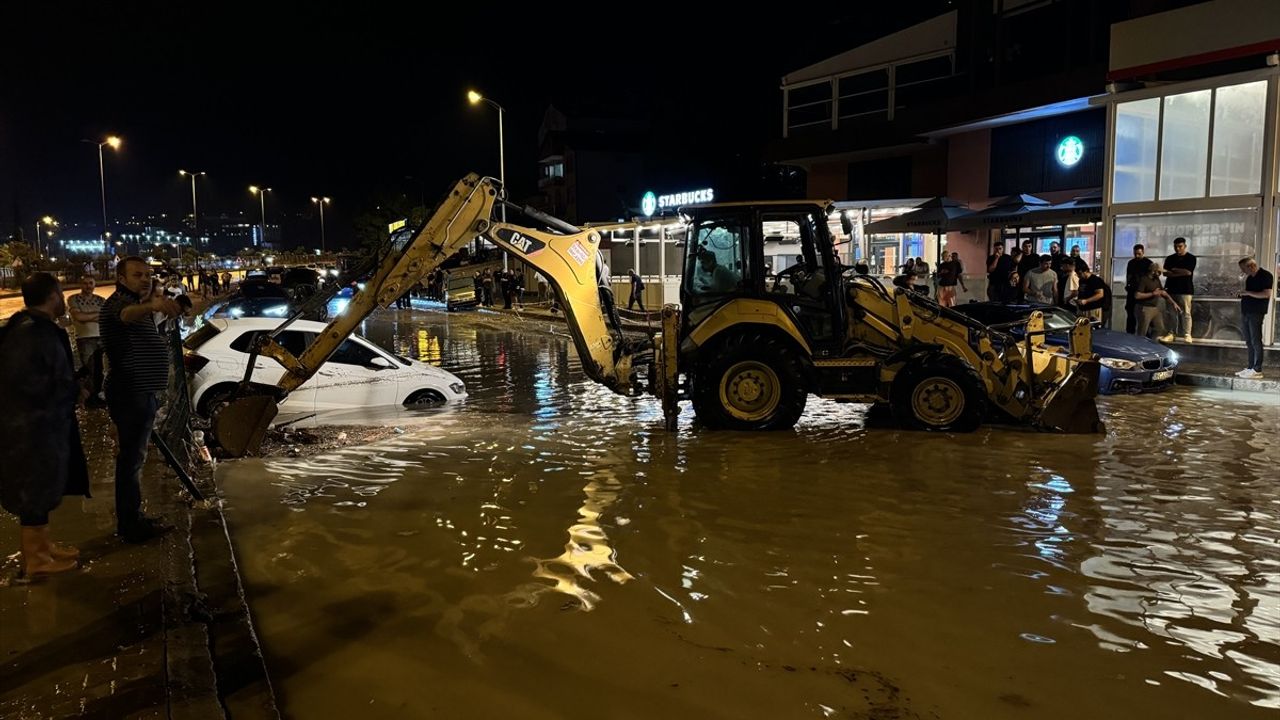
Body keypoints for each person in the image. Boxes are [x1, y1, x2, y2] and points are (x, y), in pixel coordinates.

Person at [0, 273, 90, 576]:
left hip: (34, 425)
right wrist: (72, 391)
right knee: (34, 488)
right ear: (53, 295)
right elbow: (34, 382)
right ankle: (37, 559)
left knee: (39, 487)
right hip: (32, 428)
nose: (63, 300)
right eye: (60, 295)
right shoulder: (34, 333)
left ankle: (42, 546)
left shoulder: (25, 328)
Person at [100, 257, 181, 543]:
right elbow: (124, 316)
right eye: (137, 275)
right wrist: (152, 305)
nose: (145, 279)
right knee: (131, 462)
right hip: (131, 393)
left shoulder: (134, 303)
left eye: (148, 274)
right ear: (121, 279)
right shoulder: (118, 304)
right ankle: (131, 526)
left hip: (140, 393)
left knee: (134, 460)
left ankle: (133, 518)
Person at [69, 276, 107, 407]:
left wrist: (87, 317)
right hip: (85, 338)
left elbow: (106, 317)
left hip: (102, 337)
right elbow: (78, 316)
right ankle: (88, 399)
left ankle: (96, 396)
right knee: (89, 370)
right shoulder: (74, 299)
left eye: (91, 283)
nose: (88, 286)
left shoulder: (101, 300)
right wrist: (97, 315)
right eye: (85, 283)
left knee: (100, 370)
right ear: (81, 284)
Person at [1237, 256, 1274, 379]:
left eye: (1243, 269)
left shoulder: (1266, 275)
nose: (1242, 272)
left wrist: (1247, 293)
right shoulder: (1250, 278)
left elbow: (1266, 294)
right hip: (1246, 311)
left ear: (1251, 266)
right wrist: (1242, 294)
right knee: (1249, 341)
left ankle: (1257, 369)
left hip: (1256, 312)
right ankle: (1250, 367)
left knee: (1255, 340)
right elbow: (1250, 294)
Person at [1163, 237, 1196, 342]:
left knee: (1186, 312)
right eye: (1175, 246)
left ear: (1185, 246)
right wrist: (1179, 272)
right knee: (1171, 313)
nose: (1177, 249)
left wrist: (1173, 269)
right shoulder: (1170, 258)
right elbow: (1165, 273)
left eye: (1180, 246)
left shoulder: (1191, 258)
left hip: (1185, 289)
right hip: (1171, 289)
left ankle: (1187, 334)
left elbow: (1188, 272)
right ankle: (1171, 333)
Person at [1134, 262, 1174, 342]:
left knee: (1160, 329)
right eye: (1159, 272)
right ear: (1153, 271)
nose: (1160, 274)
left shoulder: (1156, 279)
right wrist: (1152, 294)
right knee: (1142, 331)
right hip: (1145, 308)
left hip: (1155, 307)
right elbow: (1137, 295)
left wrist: (1173, 303)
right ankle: (1139, 347)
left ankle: (1151, 344)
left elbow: (1162, 292)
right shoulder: (1144, 279)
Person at [1124, 244, 1153, 334]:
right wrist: (1128, 285)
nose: (1137, 256)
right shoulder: (1131, 263)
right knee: (1131, 313)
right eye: (1135, 254)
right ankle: (1130, 332)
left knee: (1144, 315)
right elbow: (1128, 276)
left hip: (1143, 292)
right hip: (1133, 291)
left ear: (1143, 252)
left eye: (1139, 254)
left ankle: (1145, 333)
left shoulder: (1148, 263)